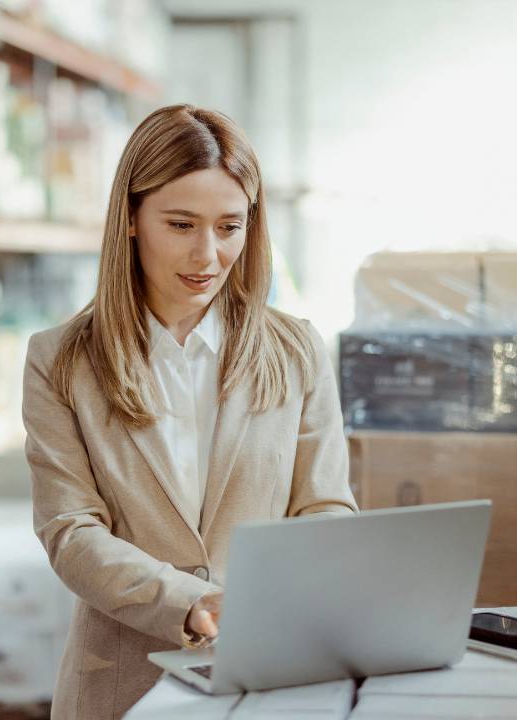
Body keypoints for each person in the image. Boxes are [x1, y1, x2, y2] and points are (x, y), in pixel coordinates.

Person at [22, 104, 357, 720]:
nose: (208, 255)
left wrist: (305, 583)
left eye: (229, 227)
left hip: (273, 675)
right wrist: (190, 601)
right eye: (180, 225)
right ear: (130, 219)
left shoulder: (297, 349)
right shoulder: (60, 361)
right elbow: (70, 531)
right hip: (122, 682)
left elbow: (325, 505)